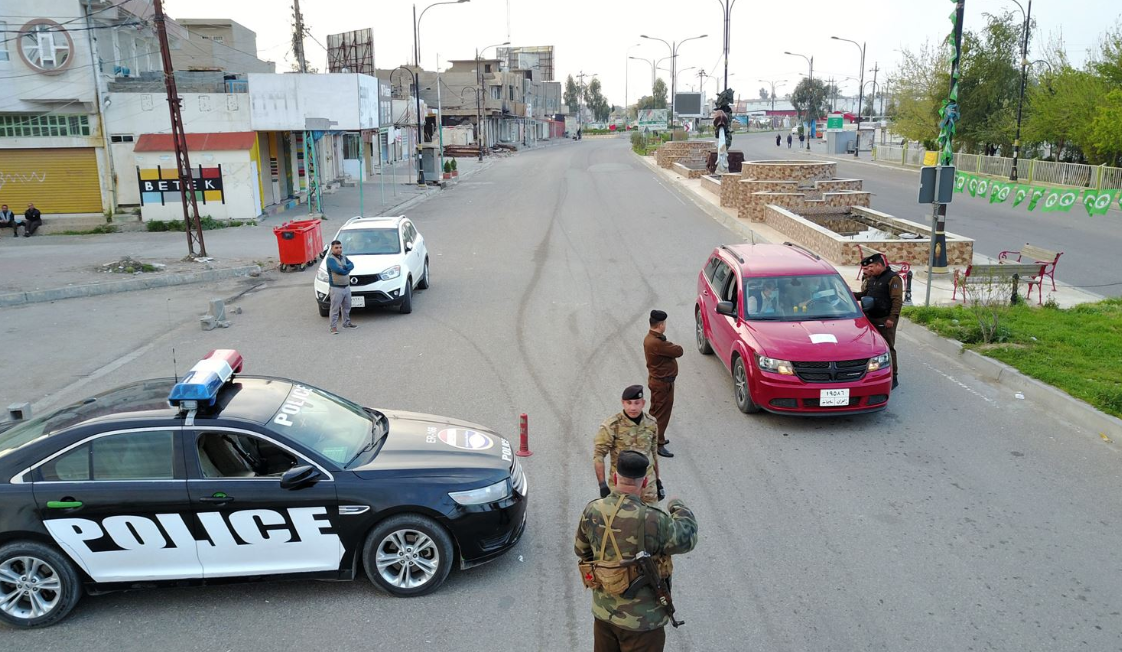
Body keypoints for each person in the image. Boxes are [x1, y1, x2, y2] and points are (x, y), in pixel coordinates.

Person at [575, 450, 698, 652]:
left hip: (604, 614)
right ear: (644, 481)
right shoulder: (655, 518)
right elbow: (687, 539)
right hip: (644, 623)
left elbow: (581, 551)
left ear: (615, 477)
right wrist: (679, 507)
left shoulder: (592, 510)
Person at [594, 385, 662, 505]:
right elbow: (599, 455)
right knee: (619, 519)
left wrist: (658, 481)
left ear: (643, 403)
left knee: (651, 519)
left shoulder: (651, 423)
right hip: (621, 485)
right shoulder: (612, 425)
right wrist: (602, 484)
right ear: (623, 403)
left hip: (647, 485)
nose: (633, 407)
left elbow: (653, 453)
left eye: (637, 403)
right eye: (629, 403)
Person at [854, 253, 903, 389]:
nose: (869, 270)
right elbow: (865, 295)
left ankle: (893, 377)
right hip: (870, 317)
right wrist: (850, 295)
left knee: (888, 347)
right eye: (867, 268)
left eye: (872, 267)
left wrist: (892, 318)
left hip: (885, 319)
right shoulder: (872, 279)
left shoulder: (893, 279)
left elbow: (897, 300)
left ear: (879, 265)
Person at [644, 310, 683, 458]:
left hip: (658, 382)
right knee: (661, 414)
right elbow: (679, 351)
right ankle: (658, 444)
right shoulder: (657, 342)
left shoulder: (652, 339)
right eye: (664, 323)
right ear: (660, 325)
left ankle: (652, 437)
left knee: (655, 411)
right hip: (662, 384)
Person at [325, 239, 357, 334]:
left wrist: (346, 267)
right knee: (335, 308)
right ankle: (333, 327)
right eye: (336, 248)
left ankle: (346, 323)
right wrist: (347, 269)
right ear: (332, 248)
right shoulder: (330, 259)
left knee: (347, 306)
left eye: (340, 247)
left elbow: (352, 265)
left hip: (346, 287)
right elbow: (338, 270)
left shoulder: (343, 257)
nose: (339, 249)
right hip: (336, 287)